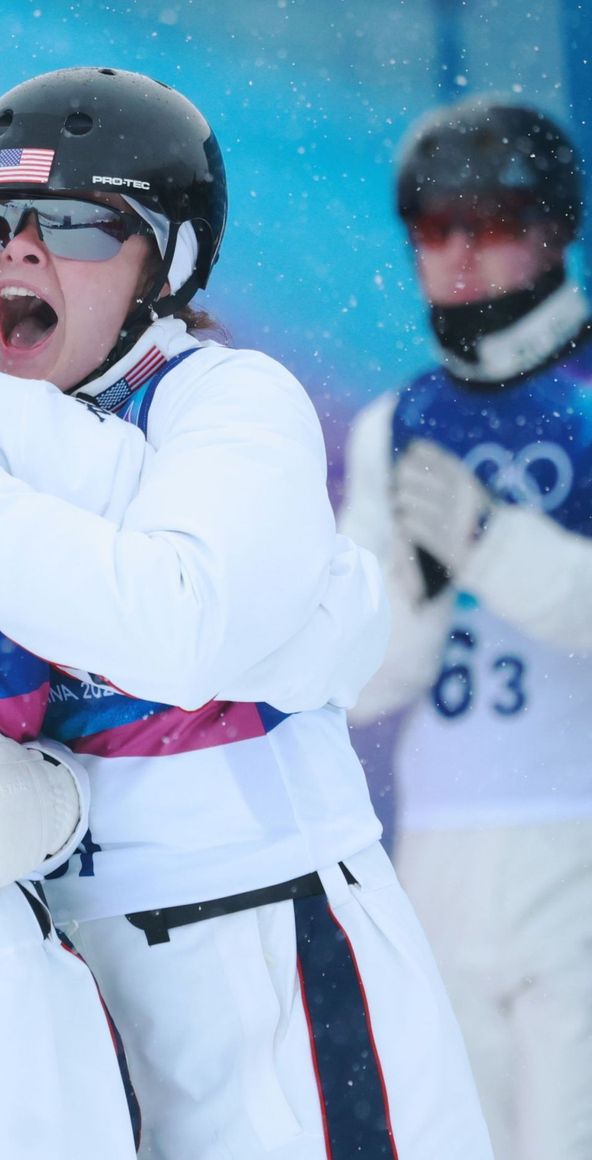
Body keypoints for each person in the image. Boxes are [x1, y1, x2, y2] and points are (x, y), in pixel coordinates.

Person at [0, 67, 489, 1159]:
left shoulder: (224, 396)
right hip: (75, 981)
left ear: (168, 261)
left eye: (75, 224)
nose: (19, 254)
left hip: (273, 955)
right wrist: (58, 799)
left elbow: (182, 630)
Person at [339, 97, 592, 1160]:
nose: (457, 253)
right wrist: (418, 589)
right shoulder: (395, 424)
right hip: (440, 844)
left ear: (555, 225)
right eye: (432, 227)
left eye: (488, 221)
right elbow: (358, 682)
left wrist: (492, 545)